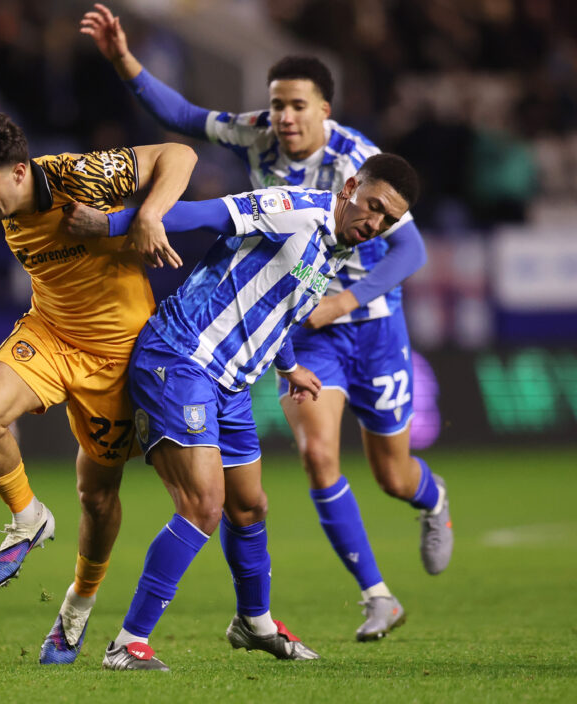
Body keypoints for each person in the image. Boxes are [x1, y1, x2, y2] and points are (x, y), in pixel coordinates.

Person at [82, 4, 453, 641]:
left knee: (391, 475)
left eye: (298, 106)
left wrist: (342, 303)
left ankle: (429, 498)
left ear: (325, 112)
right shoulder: (266, 148)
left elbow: (411, 251)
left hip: (365, 320)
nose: (284, 117)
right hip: (279, 317)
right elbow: (185, 120)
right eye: (277, 104)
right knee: (314, 457)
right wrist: (124, 62)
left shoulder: (361, 164)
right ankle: (376, 597)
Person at [64, 153, 420, 670]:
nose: (377, 223)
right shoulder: (295, 210)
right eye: (375, 206)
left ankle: (254, 622)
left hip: (230, 384)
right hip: (181, 359)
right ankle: (128, 643)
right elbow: (205, 213)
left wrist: (290, 367)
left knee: (249, 506)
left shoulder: (337, 249)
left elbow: (281, 308)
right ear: (350, 188)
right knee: (202, 506)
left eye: (389, 220)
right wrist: (111, 224)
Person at [0, 112, 196, 665]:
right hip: (51, 332)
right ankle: (28, 517)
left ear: (18, 172)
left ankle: (76, 609)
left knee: (97, 497)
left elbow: (179, 155)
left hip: (117, 355)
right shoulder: (7, 204)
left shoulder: (80, 176)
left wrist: (149, 214)